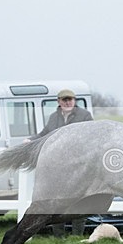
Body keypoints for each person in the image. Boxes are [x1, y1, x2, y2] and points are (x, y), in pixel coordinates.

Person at [28, 88, 92, 236]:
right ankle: (58, 236)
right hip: (58, 168)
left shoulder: (85, 116)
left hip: (78, 167)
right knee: (56, 202)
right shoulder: (53, 117)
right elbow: (44, 134)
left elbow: (90, 139)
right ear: (59, 102)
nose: (68, 102)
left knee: (78, 202)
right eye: (64, 100)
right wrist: (30, 140)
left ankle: (77, 237)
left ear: (74, 101)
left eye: (70, 99)